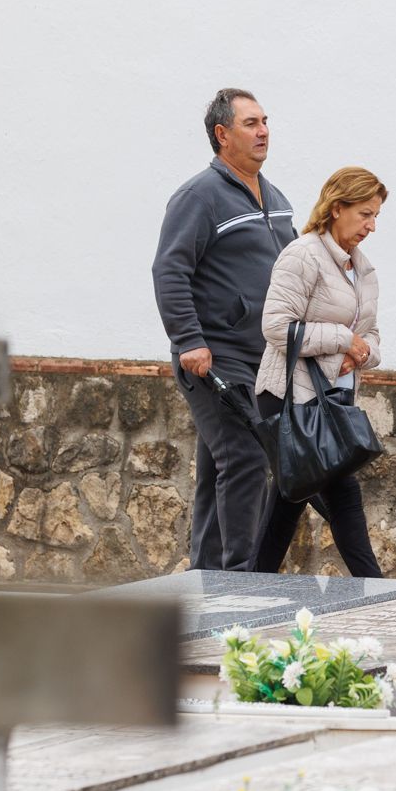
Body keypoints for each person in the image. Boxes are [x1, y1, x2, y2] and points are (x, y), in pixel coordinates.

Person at [152, 88, 298, 572]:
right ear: (222, 134)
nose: (263, 131)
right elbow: (170, 269)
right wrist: (189, 339)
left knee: (221, 466)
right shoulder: (200, 196)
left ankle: (205, 576)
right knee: (246, 462)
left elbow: (295, 268)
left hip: (263, 360)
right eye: (251, 123)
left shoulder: (273, 197)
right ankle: (240, 579)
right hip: (216, 357)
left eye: (264, 122)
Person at [253, 166, 386, 577]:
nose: (372, 225)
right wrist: (343, 342)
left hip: (334, 398)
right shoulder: (303, 254)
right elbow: (276, 326)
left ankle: (248, 587)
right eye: (364, 213)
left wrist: (364, 353)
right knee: (343, 494)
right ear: (336, 208)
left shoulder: (360, 268)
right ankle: (377, 591)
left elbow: (371, 334)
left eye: (376, 215)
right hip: (293, 395)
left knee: (288, 500)